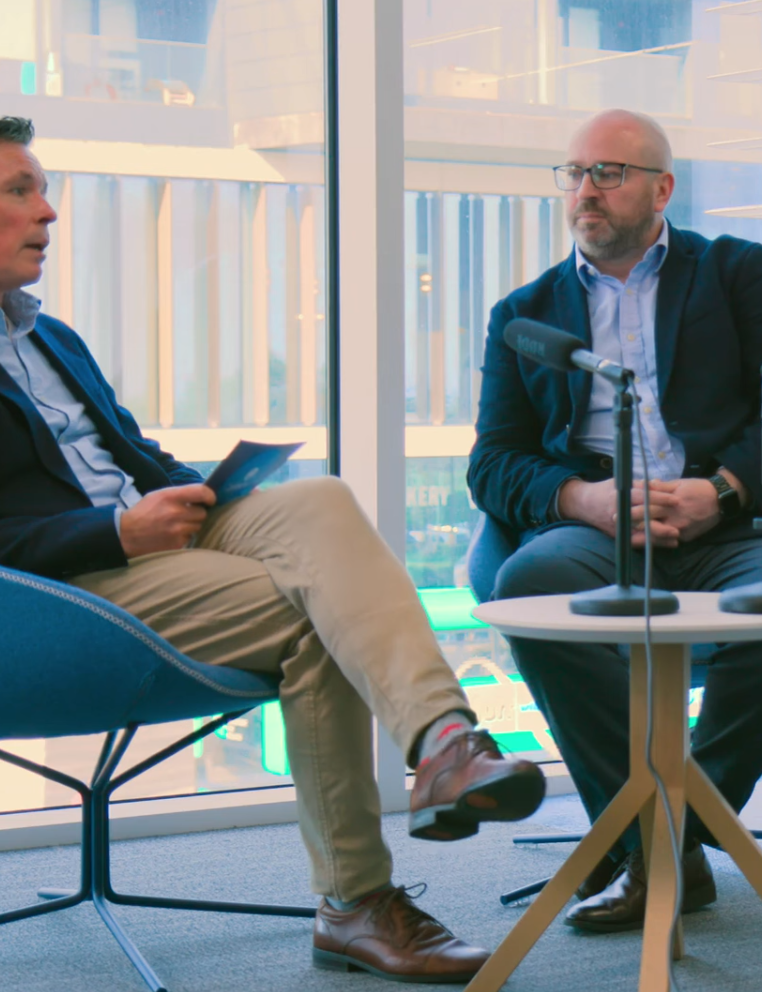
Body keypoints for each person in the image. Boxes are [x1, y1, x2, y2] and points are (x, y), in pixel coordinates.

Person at [0, 116, 547, 984]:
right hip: (66, 586)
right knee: (317, 614)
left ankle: (445, 743)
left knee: (319, 499)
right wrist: (113, 530)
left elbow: (128, 456)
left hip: (149, 536)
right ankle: (356, 900)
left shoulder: (48, 335)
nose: (49, 212)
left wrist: (208, 486)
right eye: (19, 192)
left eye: (42, 187)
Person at [468, 108, 762, 932]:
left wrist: (728, 490)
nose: (584, 191)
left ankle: (659, 842)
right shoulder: (523, 313)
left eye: (608, 172)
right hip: (598, 533)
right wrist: (584, 500)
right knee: (527, 585)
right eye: (573, 173)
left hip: (731, 526)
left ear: (661, 188)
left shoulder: (734, 271)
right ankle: (656, 841)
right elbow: (492, 462)